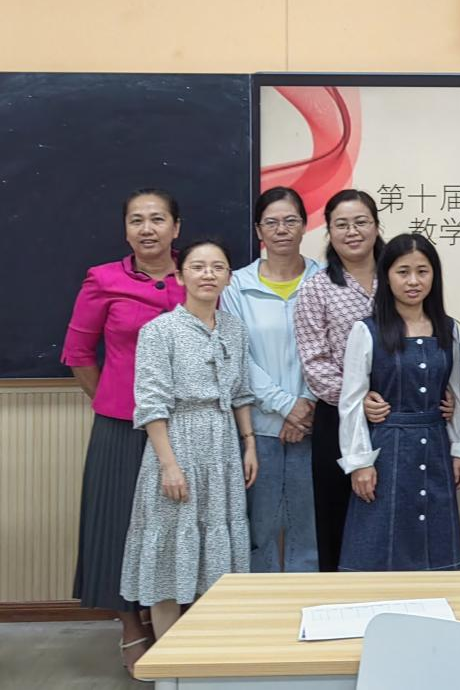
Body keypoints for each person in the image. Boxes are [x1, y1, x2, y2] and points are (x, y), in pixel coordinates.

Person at [61, 188, 185, 677]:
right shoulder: (104, 280)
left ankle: (171, 619)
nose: (147, 229)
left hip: (187, 425)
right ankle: (131, 625)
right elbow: (78, 353)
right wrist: (111, 400)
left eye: (158, 219)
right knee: (117, 525)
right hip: (122, 425)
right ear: (126, 229)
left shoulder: (200, 273)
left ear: (176, 227)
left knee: (176, 525)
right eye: (137, 220)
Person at [119, 239, 256, 637]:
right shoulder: (159, 331)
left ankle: (208, 652)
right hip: (177, 443)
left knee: (215, 551)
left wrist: (249, 443)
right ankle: (168, 657)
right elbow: (151, 404)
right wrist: (169, 465)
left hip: (223, 446)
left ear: (228, 277)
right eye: (198, 266)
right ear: (180, 276)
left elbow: (241, 392)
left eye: (218, 267)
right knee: (168, 550)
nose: (208, 274)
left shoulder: (235, 329)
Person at [338, 233, 460, 571]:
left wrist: (459, 449)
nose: (413, 281)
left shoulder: (448, 329)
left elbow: (455, 394)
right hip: (386, 451)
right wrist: (360, 463)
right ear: (386, 276)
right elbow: (351, 402)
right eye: (403, 272)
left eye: (422, 271)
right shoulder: (366, 331)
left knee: (435, 545)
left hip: (436, 448)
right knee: (380, 546)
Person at [220, 187, 321, 572]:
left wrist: (306, 404)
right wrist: (286, 406)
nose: (281, 230)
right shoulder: (236, 285)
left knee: (310, 529)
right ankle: (260, 605)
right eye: (272, 222)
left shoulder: (325, 280)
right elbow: (237, 356)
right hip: (258, 428)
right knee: (258, 530)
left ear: (305, 226)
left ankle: (308, 602)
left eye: (290, 221)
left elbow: (335, 350)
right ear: (258, 230)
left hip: (315, 424)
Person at [293, 190, 394, 571]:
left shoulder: (399, 276)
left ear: (376, 226)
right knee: (337, 518)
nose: (352, 232)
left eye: (361, 222)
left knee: (392, 517)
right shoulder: (317, 287)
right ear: (329, 232)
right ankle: (340, 598)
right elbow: (314, 361)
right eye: (342, 225)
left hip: (398, 415)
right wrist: (357, 399)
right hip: (338, 418)